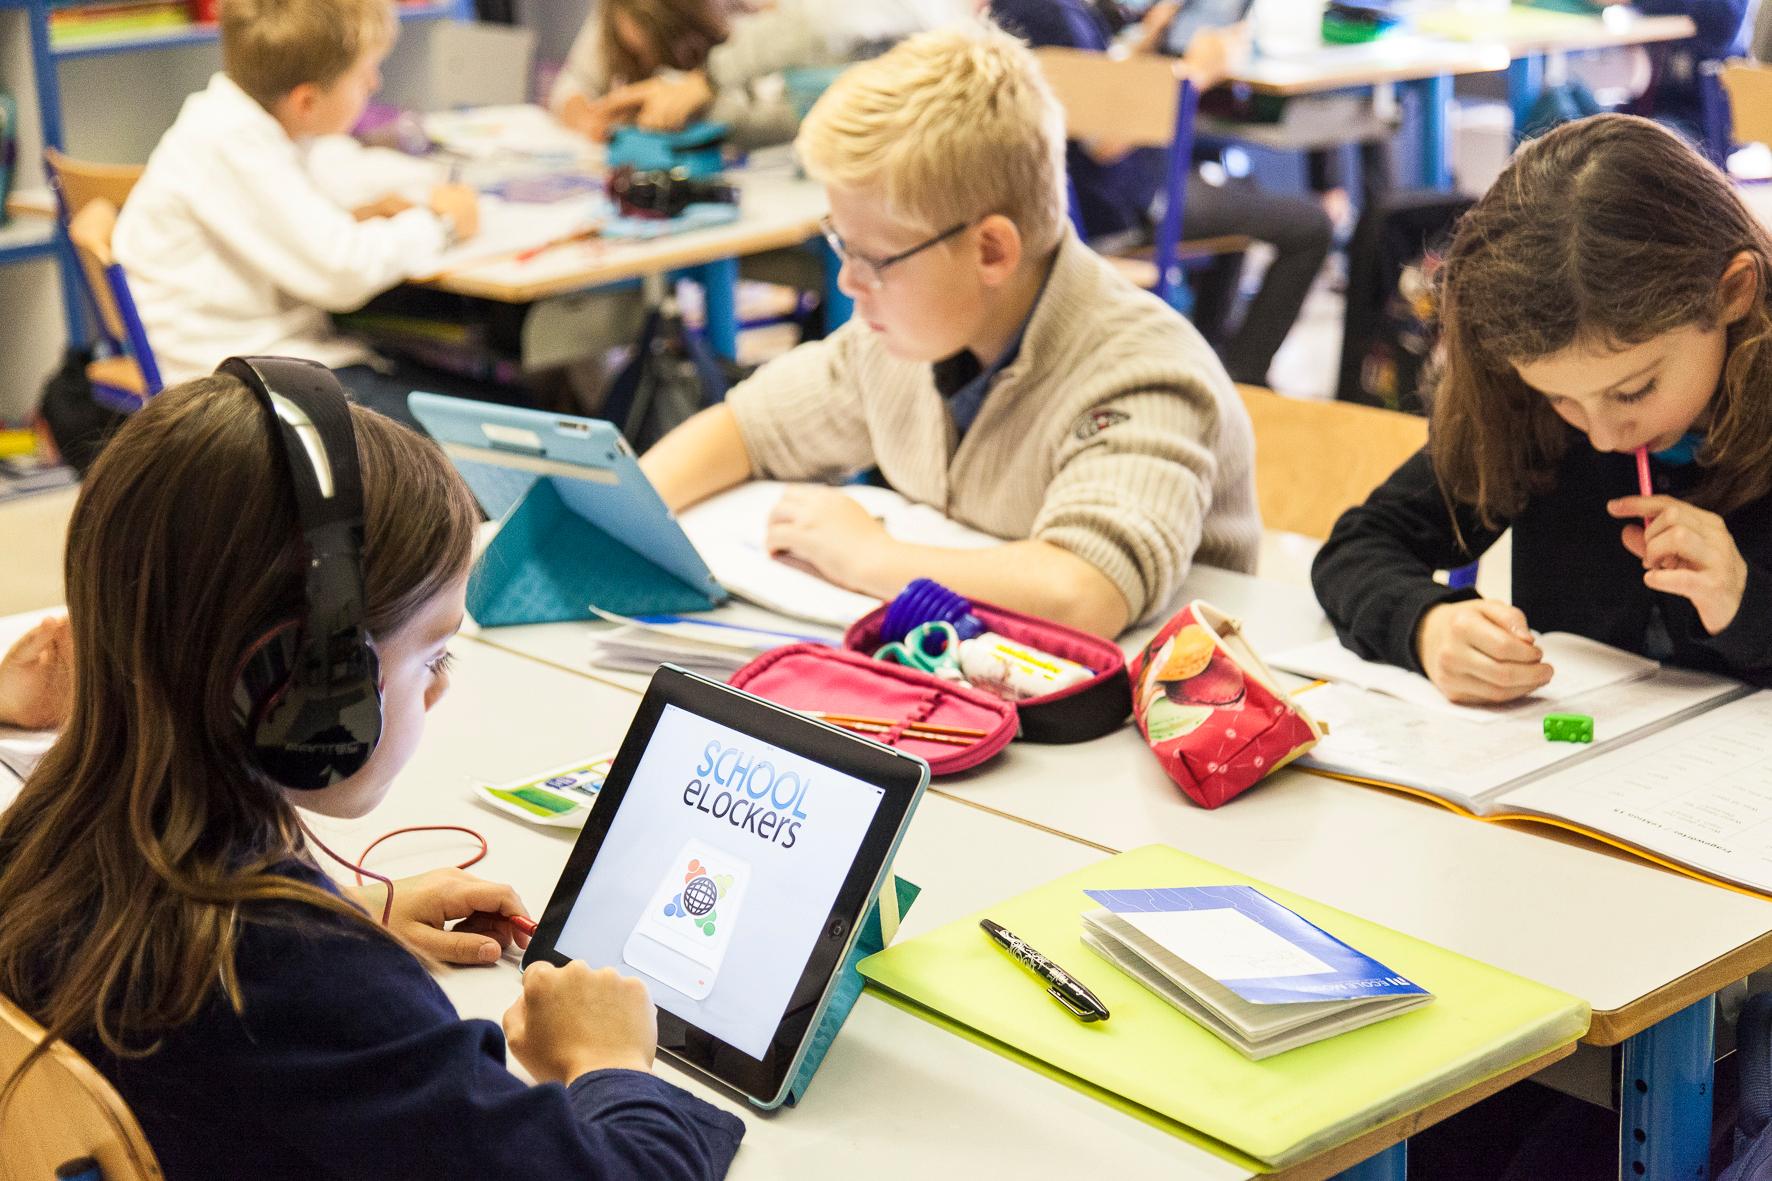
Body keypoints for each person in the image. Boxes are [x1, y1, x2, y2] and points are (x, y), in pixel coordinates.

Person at [0, 366, 744, 1178]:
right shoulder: (301, 987)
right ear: (310, 689)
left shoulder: (44, 839)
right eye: (433, 653)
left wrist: (345, 914)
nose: (443, 684)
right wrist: (611, 1062)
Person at [640, 22, 1261, 638]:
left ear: (991, 250)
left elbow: (1086, 593)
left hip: (1145, 716)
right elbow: (748, 429)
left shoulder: (1142, 371)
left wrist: (870, 560)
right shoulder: (905, 337)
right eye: (840, 246)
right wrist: (635, 517)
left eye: (874, 259)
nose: (848, 283)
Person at [1313, 114, 1772, 704]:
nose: (1603, 435)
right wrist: (1427, 625)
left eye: (1633, 391)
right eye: (1561, 397)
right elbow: (1359, 547)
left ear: (1733, 292)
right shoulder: (1527, 414)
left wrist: (1745, 600)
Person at [113, 0, 487, 426]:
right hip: (243, 396)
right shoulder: (230, 143)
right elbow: (343, 270)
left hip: (261, 370)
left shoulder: (238, 122)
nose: (374, 81)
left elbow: (329, 182)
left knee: (472, 397)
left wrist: (374, 210)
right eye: (364, 73)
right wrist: (442, 223)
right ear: (307, 101)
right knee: (490, 417)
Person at [989, 0, 1334, 387]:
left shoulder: (1028, 11)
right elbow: (1104, 139)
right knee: (1311, 225)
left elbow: (1096, 88)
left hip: (1095, 200)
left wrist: (1148, 41)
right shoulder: (1050, 15)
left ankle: (1211, 359)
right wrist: (1195, 72)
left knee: (1240, 190)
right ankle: (1242, 381)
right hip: (1117, 211)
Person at [550, 0, 964, 149]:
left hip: (927, 134)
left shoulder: (803, 22)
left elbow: (820, 24)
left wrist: (708, 81)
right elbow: (788, 122)